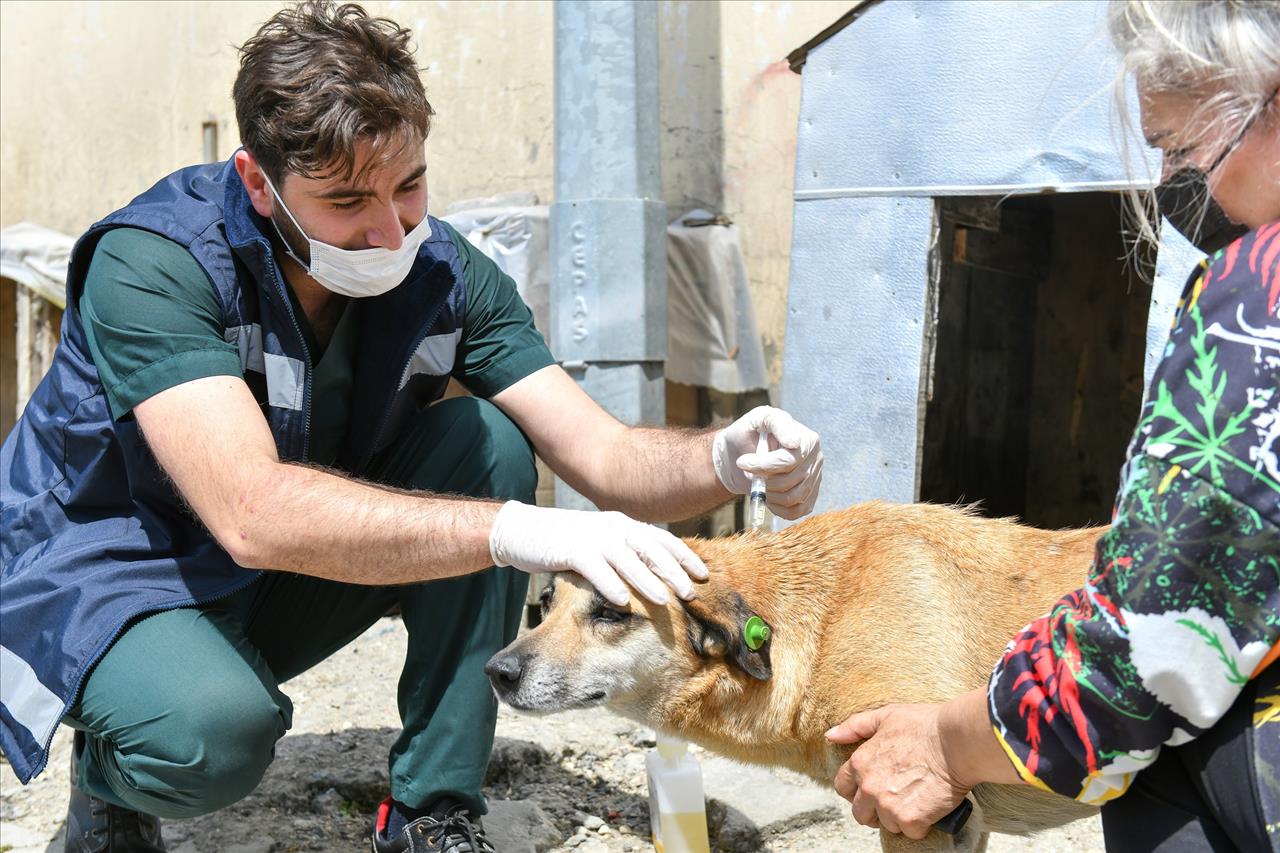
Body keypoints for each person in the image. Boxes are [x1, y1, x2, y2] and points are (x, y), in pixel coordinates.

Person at [0, 4, 824, 852]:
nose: (389, 229)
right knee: (212, 732)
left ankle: (434, 811)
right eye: (347, 199)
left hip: (269, 562)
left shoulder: (443, 272)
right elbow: (250, 510)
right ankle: (108, 778)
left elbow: (604, 455)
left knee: (487, 445)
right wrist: (515, 530)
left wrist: (726, 455)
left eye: (410, 185)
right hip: (112, 571)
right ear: (258, 183)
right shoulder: (156, 263)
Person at [825, 2, 1279, 851]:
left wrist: (945, 741)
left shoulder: (1259, 293)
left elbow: (1153, 645)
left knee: (1167, 758)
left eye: (1179, 147)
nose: (1190, 190)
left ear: (1265, 95)